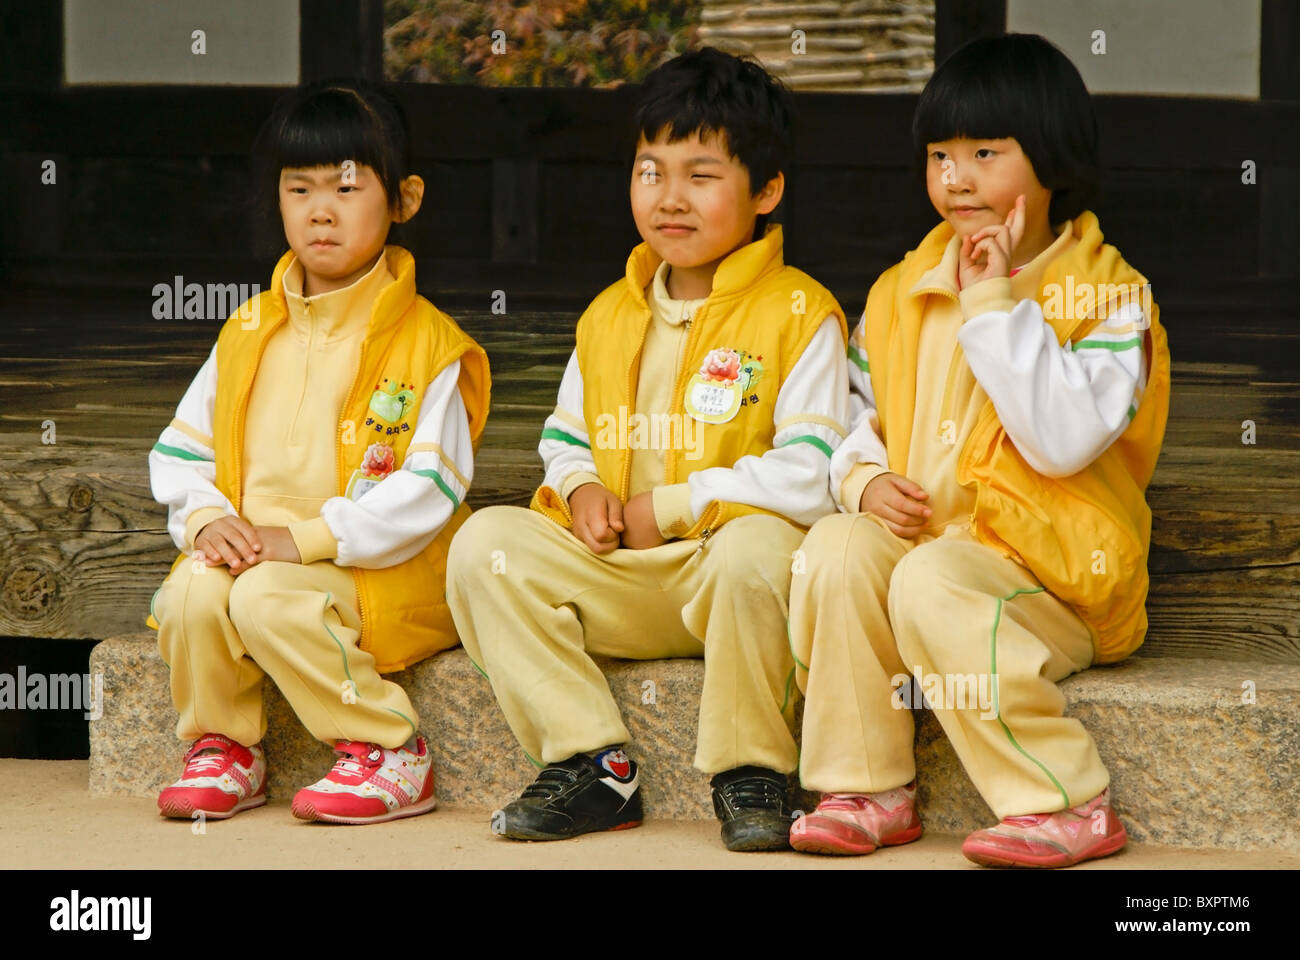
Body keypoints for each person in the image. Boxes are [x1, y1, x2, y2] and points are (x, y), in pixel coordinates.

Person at [445, 48, 849, 851]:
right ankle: (592, 762)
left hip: (725, 579)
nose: (669, 198)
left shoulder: (802, 312)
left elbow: (814, 472)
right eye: (649, 171)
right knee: (481, 544)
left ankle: (752, 769)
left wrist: (667, 508)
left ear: (766, 190)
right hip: (619, 574)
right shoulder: (608, 315)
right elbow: (565, 434)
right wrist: (583, 486)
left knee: (767, 546)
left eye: (701, 176)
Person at [788, 33, 1171, 866]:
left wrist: (997, 305)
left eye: (984, 153)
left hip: (1056, 582)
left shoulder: (1107, 295)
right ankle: (867, 787)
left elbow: (1063, 440)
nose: (954, 178)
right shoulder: (901, 292)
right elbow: (858, 414)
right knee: (836, 547)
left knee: (930, 577)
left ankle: (1064, 799)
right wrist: (863, 477)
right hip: (935, 566)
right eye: (939, 155)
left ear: (1051, 159)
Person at [145, 79, 490, 825]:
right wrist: (205, 518)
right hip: (258, 556)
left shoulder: (428, 343)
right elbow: (179, 449)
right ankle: (224, 747)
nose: (319, 210)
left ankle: (388, 749)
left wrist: (300, 541)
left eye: (346, 186)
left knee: (267, 596)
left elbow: (428, 491)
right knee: (192, 591)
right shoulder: (247, 329)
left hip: (377, 571)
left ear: (405, 199)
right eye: (298, 188)